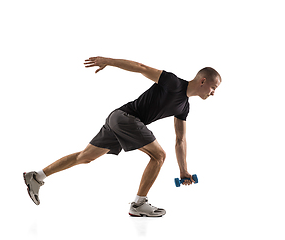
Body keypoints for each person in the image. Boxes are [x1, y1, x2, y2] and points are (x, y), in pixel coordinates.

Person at [23, 56, 222, 217]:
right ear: (203, 81)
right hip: (125, 118)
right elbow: (141, 67)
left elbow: (180, 140)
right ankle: (139, 204)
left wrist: (183, 170)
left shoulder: (184, 107)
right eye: (214, 88)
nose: (213, 93)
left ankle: (37, 175)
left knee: (84, 157)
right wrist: (108, 61)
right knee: (159, 155)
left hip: (118, 120)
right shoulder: (173, 82)